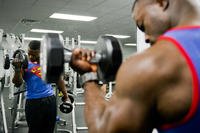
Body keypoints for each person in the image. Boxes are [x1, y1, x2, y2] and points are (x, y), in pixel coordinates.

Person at [69, 0, 200, 132]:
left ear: (161, 3)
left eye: (142, 25)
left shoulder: (150, 65)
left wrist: (89, 76)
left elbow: (104, 130)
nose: (145, 38)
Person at [12, 40, 71, 133]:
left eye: (35, 55)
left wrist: (66, 97)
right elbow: (17, 83)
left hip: (50, 100)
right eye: (29, 54)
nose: (31, 57)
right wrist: (18, 69)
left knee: (49, 129)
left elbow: (59, 80)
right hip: (33, 102)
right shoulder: (25, 63)